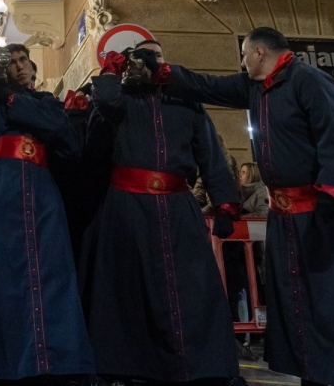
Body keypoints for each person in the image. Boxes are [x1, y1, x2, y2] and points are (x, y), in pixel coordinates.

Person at [163, 26, 334, 386]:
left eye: (244, 53)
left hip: (326, 213)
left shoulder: (309, 80)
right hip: (288, 218)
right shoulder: (255, 87)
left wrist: (331, 195)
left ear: (260, 52)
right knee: (304, 301)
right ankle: (320, 373)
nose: (241, 60)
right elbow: (206, 86)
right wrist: (163, 72)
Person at [81, 41, 240, 384]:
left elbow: (209, 153)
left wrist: (226, 202)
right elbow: (105, 100)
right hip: (127, 209)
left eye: (158, 55)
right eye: (144, 55)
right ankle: (132, 367)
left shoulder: (186, 100)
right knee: (129, 291)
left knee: (192, 290)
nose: (153, 61)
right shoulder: (121, 100)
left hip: (178, 207)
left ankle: (199, 366)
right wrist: (112, 70)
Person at [0, 44, 94, 381]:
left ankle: (51, 358)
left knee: (49, 271)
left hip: (41, 191)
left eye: (23, 60)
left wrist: (13, 101)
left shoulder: (46, 103)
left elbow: (62, 135)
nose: (19, 66)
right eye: (11, 63)